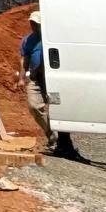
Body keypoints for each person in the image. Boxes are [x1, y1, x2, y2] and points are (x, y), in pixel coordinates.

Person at [21, 14, 81, 161]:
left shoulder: (52, 37)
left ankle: (64, 143)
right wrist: (22, 77)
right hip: (36, 79)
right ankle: (53, 136)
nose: (33, 26)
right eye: (32, 23)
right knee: (33, 106)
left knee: (57, 108)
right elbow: (24, 58)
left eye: (36, 23)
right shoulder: (28, 40)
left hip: (53, 79)